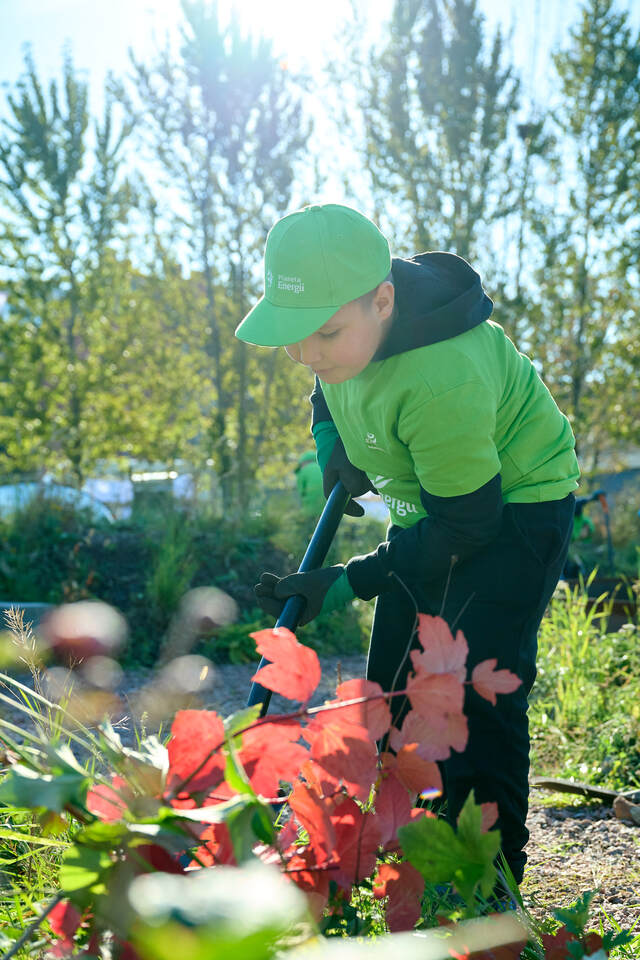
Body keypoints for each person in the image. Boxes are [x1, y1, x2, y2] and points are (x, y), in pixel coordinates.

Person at [235, 203, 579, 890]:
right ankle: (392, 845)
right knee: (393, 677)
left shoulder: (437, 374)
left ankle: (489, 882)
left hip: (512, 512)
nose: (306, 354)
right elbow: (325, 390)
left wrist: (348, 580)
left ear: (384, 301)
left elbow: (467, 528)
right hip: (438, 505)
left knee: (476, 692)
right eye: (293, 338)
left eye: (323, 334)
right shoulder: (342, 336)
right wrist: (332, 443)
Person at [294, 450, 325, 518]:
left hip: (310, 510)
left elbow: (302, 493)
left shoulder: (302, 471)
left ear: (303, 463)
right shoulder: (323, 467)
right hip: (328, 507)